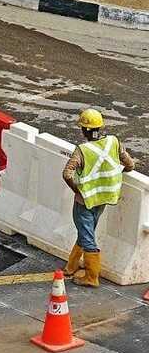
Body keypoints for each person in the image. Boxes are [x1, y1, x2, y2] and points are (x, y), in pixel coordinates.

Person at [61, 109, 134, 287]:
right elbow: (129, 164)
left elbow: (67, 174)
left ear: (84, 130)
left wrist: (77, 190)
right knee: (86, 231)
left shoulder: (82, 150)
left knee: (87, 236)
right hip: (104, 198)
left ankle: (92, 276)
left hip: (84, 200)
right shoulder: (113, 142)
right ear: (100, 127)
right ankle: (72, 265)